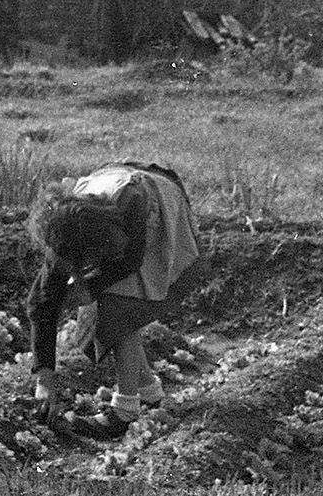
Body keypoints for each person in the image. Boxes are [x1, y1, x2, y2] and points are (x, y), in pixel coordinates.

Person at [26, 161, 205, 439]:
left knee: (116, 304)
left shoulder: (128, 208)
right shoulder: (63, 232)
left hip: (157, 199)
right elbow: (42, 303)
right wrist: (45, 379)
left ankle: (124, 410)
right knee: (106, 303)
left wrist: (90, 288)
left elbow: (130, 261)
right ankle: (148, 392)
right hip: (120, 189)